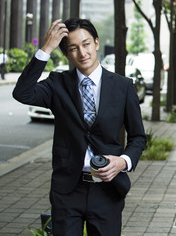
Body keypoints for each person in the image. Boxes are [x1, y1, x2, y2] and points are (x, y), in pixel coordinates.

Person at [13, 18, 147, 235]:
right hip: (67, 190)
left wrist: (123, 162)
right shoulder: (57, 84)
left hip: (107, 189)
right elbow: (22, 93)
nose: (82, 53)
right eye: (73, 48)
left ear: (96, 43)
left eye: (86, 44)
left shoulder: (123, 87)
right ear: (66, 54)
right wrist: (46, 48)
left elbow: (138, 137)